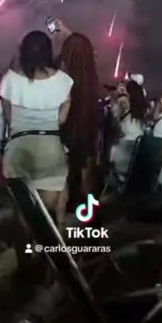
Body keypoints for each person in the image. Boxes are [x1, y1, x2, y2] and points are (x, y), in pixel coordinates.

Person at [0, 30, 72, 226]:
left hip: (19, 148)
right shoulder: (63, 81)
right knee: (46, 214)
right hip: (50, 148)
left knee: (23, 213)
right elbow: (61, 119)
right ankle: (50, 240)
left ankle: (24, 245)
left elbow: (8, 117)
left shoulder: (10, 79)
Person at [55, 21, 99, 199]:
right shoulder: (90, 84)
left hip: (63, 140)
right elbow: (82, 49)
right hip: (83, 140)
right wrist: (67, 32)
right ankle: (85, 204)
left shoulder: (61, 82)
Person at [109, 79, 146, 178]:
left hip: (124, 147)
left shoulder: (123, 100)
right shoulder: (141, 104)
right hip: (138, 145)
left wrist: (113, 97)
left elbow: (114, 113)